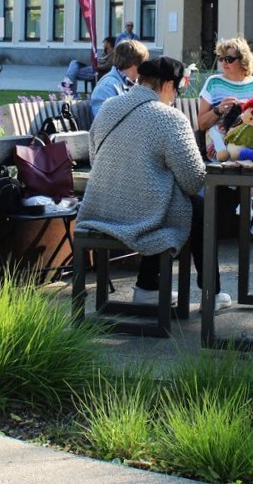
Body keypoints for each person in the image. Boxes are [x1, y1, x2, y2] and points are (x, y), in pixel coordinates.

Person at [77, 56, 231, 311]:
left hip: (99, 208)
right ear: (169, 85)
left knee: (162, 200)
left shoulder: (109, 107)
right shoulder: (170, 118)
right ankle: (210, 294)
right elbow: (193, 180)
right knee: (196, 207)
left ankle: (148, 287)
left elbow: (95, 156)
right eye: (179, 90)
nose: (177, 96)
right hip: (140, 214)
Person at [197, 37, 253, 246]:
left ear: (242, 60)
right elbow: (201, 122)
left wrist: (249, 109)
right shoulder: (213, 83)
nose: (224, 63)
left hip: (250, 139)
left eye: (230, 58)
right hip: (220, 142)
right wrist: (219, 109)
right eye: (221, 58)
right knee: (240, 148)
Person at [89, 39, 149, 117]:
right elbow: (103, 123)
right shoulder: (107, 87)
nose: (146, 67)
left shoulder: (136, 84)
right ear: (134, 62)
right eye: (144, 62)